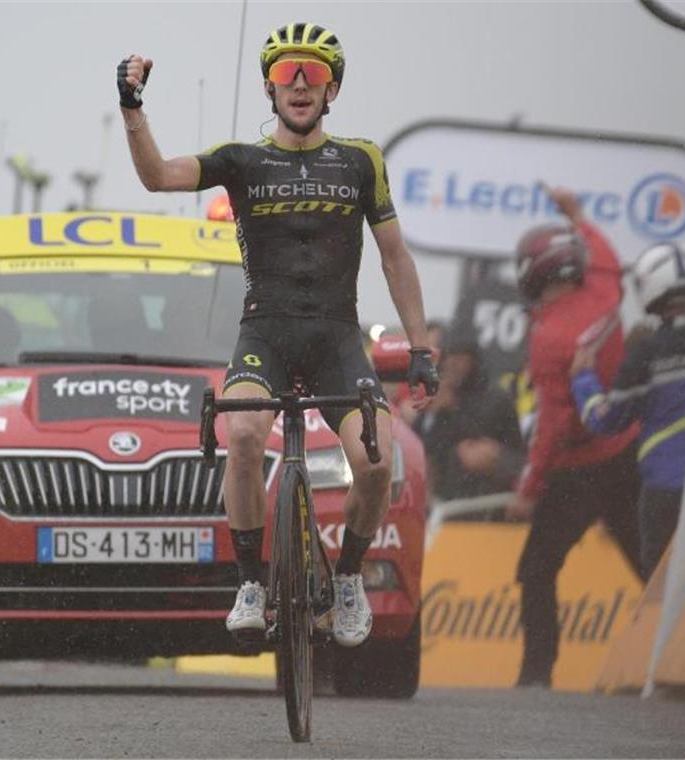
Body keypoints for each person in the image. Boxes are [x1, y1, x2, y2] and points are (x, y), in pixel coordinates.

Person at [115, 22, 439, 648]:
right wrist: (133, 109)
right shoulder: (242, 160)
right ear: (269, 86)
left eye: (312, 73)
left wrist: (420, 347)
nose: (298, 84)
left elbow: (395, 257)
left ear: (332, 89)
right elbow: (158, 176)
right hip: (264, 332)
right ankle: (250, 584)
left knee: (376, 463)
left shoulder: (361, 160)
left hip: (338, 339)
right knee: (240, 431)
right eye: (287, 71)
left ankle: (346, 579)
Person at [506, 186, 643, 688]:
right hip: (626, 450)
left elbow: (555, 424)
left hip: (577, 468)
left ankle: (537, 673)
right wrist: (577, 214)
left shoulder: (550, 338)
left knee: (537, 570)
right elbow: (605, 256)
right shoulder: (605, 292)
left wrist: (527, 489)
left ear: (537, 271)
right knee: (649, 561)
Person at [568, 243, 685, 577]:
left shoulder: (647, 352)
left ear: (648, 289)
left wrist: (583, 380)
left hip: (667, 490)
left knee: (662, 586)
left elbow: (607, 420)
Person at [414, 328, 525, 503]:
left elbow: (518, 458)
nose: (453, 364)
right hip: (441, 501)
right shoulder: (437, 396)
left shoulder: (496, 399)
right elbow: (422, 448)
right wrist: (432, 415)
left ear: (474, 360)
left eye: (460, 357)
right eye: (448, 357)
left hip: (483, 501)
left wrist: (498, 458)